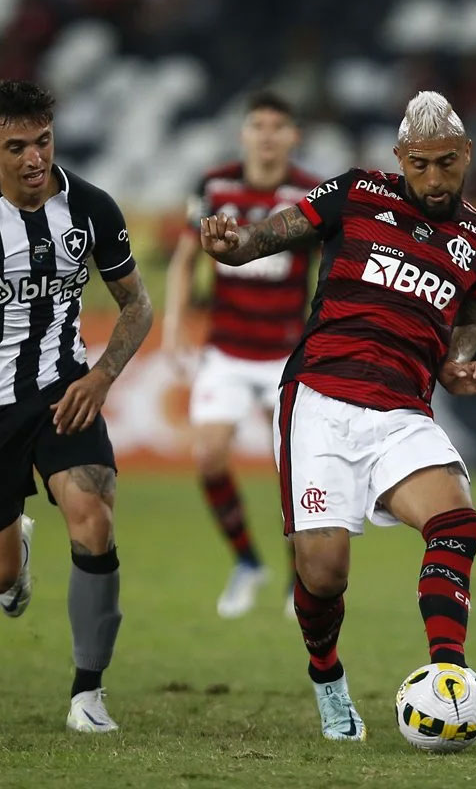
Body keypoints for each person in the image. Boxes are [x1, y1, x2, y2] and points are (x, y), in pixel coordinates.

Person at [200, 91, 476, 741]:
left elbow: (466, 323)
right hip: (321, 401)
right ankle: (329, 683)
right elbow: (266, 237)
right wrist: (232, 243)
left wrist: (458, 363)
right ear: (400, 158)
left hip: (403, 410)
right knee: (324, 575)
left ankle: (453, 679)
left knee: (457, 521)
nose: (435, 178)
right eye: (422, 164)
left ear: (467, 155)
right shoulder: (357, 192)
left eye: (448, 163)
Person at [0, 80, 153, 731]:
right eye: (15, 146)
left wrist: (100, 377)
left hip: (62, 392)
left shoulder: (92, 209)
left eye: (42, 141)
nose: (33, 159)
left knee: (94, 521)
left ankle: (88, 694)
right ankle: (13, 561)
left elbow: (138, 304)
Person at [163, 91, 318, 619]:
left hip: (285, 353)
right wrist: (173, 325)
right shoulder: (215, 185)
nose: (268, 134)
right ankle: (248, 562)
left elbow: (331, 266)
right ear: (244, 133)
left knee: (295, 473)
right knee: (207, 456)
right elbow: (185, 259)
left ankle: (299, 580)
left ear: (293, 135)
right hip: (226, 350)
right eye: (258, 124)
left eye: (279, 125)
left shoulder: (309, 192)